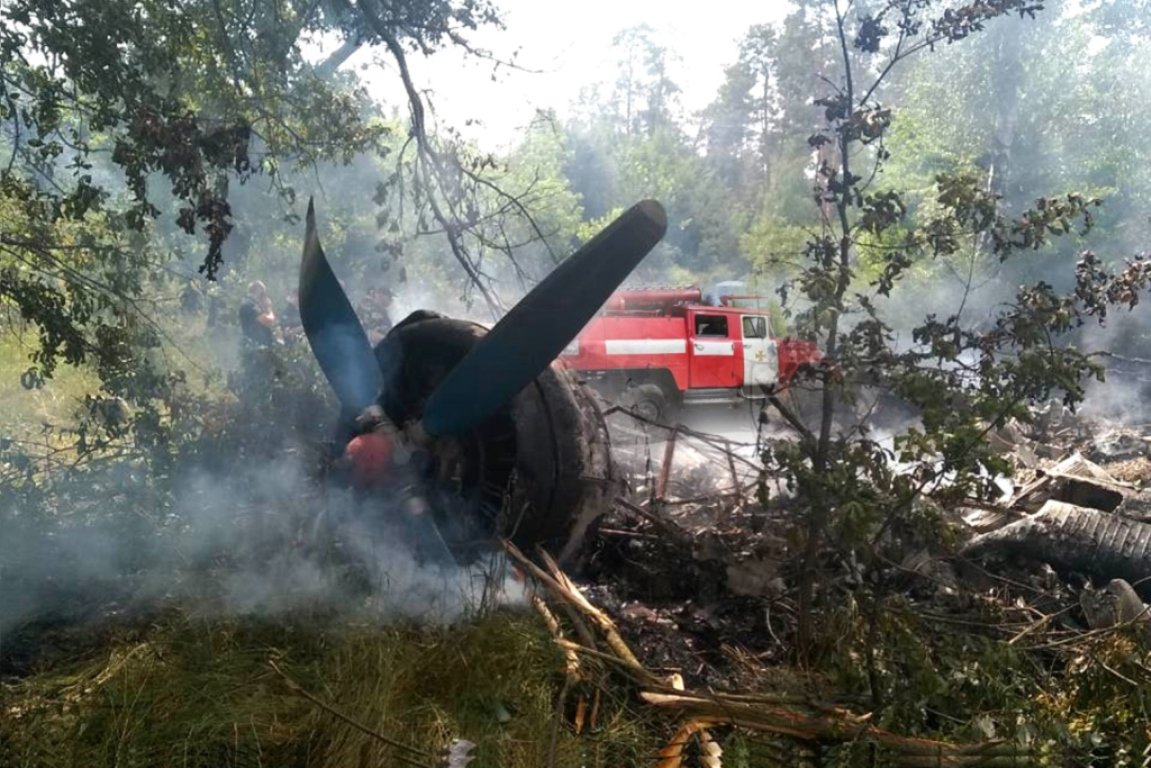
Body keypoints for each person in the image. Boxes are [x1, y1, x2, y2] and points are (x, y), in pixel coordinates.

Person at [239, 280, 278, 348]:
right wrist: (269, 308)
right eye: (263, 293)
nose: (264, 296)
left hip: (260, 344)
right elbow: (268, 321)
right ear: (258, 291)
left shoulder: (253, 304)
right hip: (255, 346)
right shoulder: (249, 305)